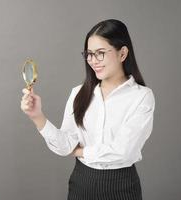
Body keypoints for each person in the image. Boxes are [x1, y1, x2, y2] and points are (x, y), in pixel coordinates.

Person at [20, 19, 155, 200]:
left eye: (100, 53)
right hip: (81, 184)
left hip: (121, 187)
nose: (93, 61)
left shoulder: (141, 97)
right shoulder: (78, 93)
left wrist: (79, 152)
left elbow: (124, 151)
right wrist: (37, 117)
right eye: (89, 54)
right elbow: (64, 145)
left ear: (122, 53)